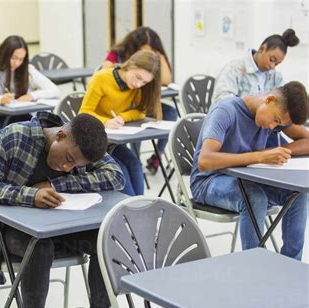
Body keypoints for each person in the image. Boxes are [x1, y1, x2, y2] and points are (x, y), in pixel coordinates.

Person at [0, 112, 125, 308]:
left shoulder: (84, 145)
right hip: (12, 231)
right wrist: (29, 195)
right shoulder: (14, 136)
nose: (69, 167)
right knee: (40, 246)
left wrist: (56, 184)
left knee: (105, 237)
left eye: (76, 165)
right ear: (60, 136)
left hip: (64, 228)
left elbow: (116, 176)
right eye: (68, 159)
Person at [191, 81, 309, 260]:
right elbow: (205, 161)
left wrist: (281, 151)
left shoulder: (277, 116)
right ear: (269, 99)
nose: (273, 127)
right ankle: (253, 265)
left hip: (248, 180)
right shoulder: (226, 111)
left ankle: (291, 264)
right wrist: (260, 156)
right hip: (209, 181)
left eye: (279, 125)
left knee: (299, 194)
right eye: (275, 120)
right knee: (254, 197)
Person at [80, 50, 161, 196]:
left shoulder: (135, 87)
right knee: (120, 169)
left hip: (112, 142)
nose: (138, 84)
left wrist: (122, 117)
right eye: (138, 77)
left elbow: (140, 112)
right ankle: (129, 212)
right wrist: (105, 122)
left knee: (135, 164)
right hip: (92, 142)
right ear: (130, 65)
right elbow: (84, 112)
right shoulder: (102, 78)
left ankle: (139, 207)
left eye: (144, 82)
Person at [102, 26, 177, 174]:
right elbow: (106, 73)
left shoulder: (153, 59)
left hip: (143, 103)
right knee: (137, 124)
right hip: (122, 105)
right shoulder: (118, 54)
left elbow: (167, 79)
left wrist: (158, 56)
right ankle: (135, 159)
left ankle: (158, 156)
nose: (147, 54)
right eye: (144, 51)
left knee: (170, 113)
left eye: (152, 51)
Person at [212, 29, 300, 147]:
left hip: (264, 130)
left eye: (277, 64)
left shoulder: (275, 76)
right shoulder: (234, 69)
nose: (272, 66)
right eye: (272, 60)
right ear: (262, 49)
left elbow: (286, 99)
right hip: (238, 132)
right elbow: (222, 102)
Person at [0, 35, 60, 134]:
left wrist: (31, 95)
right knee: (28, 135)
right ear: (5, 54)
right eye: (14, 58)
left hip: (22, 117)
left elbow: (55, 90)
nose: (17, 63)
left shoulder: (27, 69)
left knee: (45, 132)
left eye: (21, 59)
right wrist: (0, 99)